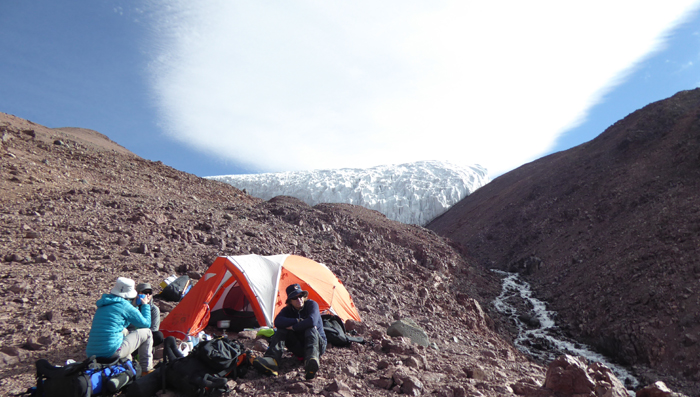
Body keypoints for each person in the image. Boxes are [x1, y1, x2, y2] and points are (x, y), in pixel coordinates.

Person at [253, 284, 327, 380]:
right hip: (300, 348)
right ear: (290, 301)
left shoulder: (311, 305)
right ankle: (272, 360)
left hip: (318, 346)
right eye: (295, 298)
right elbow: (277, 322)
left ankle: (311, 361)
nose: (299, 299)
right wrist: (298, 321)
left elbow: (312, 321)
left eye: (300, 296)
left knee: (311, 328)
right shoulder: (287, 310)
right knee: (281, 329)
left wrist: (293, 327)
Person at [86, 277, 154, 373]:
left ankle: (128, 365)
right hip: (110, 352)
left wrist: (133, 305)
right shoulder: (125, 306)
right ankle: (145, 370)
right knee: (147, 333)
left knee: (124, 331)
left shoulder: (104, 304)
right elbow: (146, 324)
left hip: (91, 353)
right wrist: (145, 305)